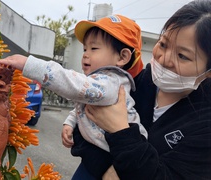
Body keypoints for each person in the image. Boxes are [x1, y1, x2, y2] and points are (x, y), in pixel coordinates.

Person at [0, 14, 148, 179]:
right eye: (84, 49)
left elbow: (75, 86)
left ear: (122, 57)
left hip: (112, 159)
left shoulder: (110, 81)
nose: (85, 54)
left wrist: (30, 65)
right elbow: (82, 103)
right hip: (98, 155)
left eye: (94, 48)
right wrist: (70, 122)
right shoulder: (98, 82)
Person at [79, 0, 211, 179]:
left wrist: (120, 130)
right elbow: (82, 126)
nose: (164, 59)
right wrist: (105, 169)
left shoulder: (204, 122)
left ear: (208, 72)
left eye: (182, 56)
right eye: (163, 44)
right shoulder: (134, 81)